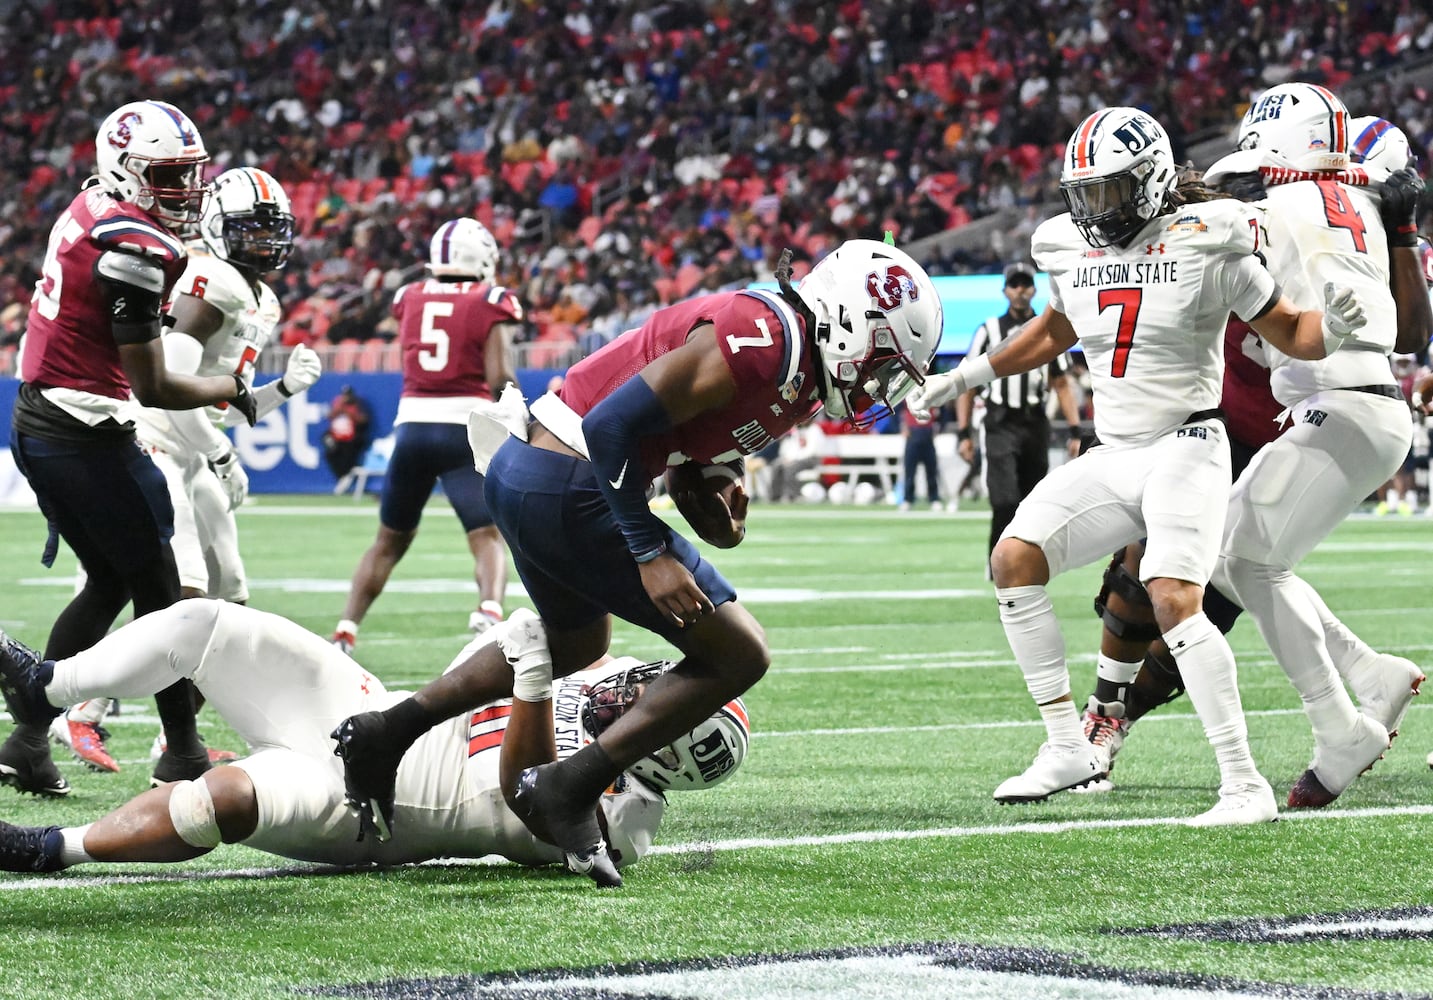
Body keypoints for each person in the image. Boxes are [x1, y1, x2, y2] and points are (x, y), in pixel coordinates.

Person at [327, 237, 943, 884]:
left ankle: (382, 735)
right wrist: (648, 551)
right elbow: (611, 427)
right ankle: (569, 783)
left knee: (574, 642)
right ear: (847, 319)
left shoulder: (794, 362)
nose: (879, 382)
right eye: (882, 360)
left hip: (534, 474)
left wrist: (716, 502)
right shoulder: (762, 338)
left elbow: (681, 454)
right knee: (738, 653)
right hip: (566, 475)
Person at [909, 107, 1371, 826]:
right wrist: (960, 380)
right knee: (1012, 558)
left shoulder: (1209, 242)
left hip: (1186, 445)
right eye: (1085, 193)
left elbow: (1294, 334)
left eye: (1111, 190)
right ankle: (1067, 745)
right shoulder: (1073, 250)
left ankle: (1241, 785)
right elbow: (1053, 331)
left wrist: (1334, 328)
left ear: (1151, 180)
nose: (1095, 209)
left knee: (1171, 596)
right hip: (1114, 451)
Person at [1077, 110, 1432, 801]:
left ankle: (1337, 722)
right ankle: (1363, 678)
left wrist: (1400, 235)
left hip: (1313, 409)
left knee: (1219, 582)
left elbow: (1409, 332)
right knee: (1159, 573)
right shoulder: (1296, 201)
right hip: (1230, 410)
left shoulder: (1284, 204)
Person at [0, 602, 746, 877]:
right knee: (207, 624)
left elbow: (531, 794)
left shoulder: (617, 823)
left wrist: (531, 680)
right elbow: (510, 653)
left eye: (655, 703)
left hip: (365, 813)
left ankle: (47, 849)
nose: (638, 689)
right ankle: (47, 686)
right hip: (364, 714)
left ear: (666, 752)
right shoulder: (602, 679)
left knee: (217, 801)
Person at [4, 100, 261, 797]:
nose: (187, 190)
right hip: (83, 429)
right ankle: (180, 750)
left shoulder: (93, 206)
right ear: (126, 170)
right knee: (165, 598)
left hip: (41, 417)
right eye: (169, 175)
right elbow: (151, 385)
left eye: (190, 174)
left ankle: (28, 738)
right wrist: (227, 384)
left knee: (111, 582)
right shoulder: (139, 249)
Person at [45, 167, 324, 776]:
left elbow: (223, 401)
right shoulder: (212, 280)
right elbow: (166, 385)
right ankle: (83, 712)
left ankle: (174, 741)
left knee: (232, 595)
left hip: (193, 448)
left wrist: (279, 390)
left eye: (273, 230)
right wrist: (221, 453)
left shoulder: (261, 296)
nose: (265, 242)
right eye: (251, 230)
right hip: (161, 446)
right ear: (220, 229)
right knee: (185, 594)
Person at [332, 219, 521, 653]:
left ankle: (346, 628)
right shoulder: (492, 299)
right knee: (487, 535)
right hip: (465, 428)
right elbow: (498, 375)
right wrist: (518, 415)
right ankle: (489, 608)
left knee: (387, 542)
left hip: (413, 427)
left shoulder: (409, 296)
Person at [955, 262, 1083, 560]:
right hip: (1000, 420)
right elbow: (967, 384)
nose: (1021, 290)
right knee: (1004, 499)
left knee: (1032, 502)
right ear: (1005, 290)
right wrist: (964, 433)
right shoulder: (988, 330)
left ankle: (1023, 564)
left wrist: (1076, 430)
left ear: (1035, 289)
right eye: (1015, 284)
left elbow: (1061, 383)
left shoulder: (1048, 329)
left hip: (1035, 421)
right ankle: (999, 562)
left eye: (1026, 284)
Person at [898, 402, 944, 511]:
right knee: (910, 471)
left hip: (927, 434)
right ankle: (908, 499)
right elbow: (898, 411)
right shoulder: (908, 394)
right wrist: (902, 427)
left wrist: (938, 428)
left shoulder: (932, 392)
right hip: (913, 434)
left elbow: (941, 413)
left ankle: (934, 498)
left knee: (931, 471)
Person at [323, 386, 373, 481]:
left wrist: (349, 412)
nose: (346, 397)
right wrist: (339, 408)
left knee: (348, 455)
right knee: (330, 451)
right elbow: (329, 415)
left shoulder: (357, 404)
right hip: (336, 435)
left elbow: (364, 419)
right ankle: (342, 475)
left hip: (351, 437)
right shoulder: (338, 403)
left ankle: (346, 475)